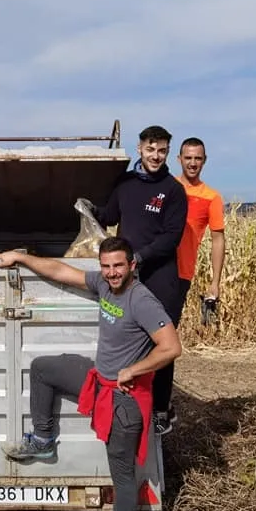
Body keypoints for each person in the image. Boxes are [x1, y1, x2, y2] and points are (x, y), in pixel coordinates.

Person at [0, 237, 181, 511]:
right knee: (43, 369)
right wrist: (20, 258)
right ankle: (43, 439)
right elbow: (59, 270)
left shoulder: (142, 301)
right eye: (106, 266)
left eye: (118, 266)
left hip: (125, 399)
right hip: (100, 381)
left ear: (132, 265)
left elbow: (171, 347)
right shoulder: (103, 284)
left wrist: (133, 370)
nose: (112, 273)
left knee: (122, 475)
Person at [78, 125, 187, 436]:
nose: (155, 156)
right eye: (150, 149)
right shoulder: (125, 182)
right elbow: (111, 215)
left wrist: (140, 256)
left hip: (159, 277)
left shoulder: (173, 190)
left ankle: (161, 409)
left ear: (168, 153)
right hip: (127, 273)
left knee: (160, 343)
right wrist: (91, 210)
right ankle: (125, 395)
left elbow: (171, 237)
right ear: (139, 149)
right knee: (125, 336)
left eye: (162, 150)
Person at [174, 137, 226, 319]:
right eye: (188, 158)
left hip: (183, 270)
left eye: (198, 158)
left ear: (204, 160)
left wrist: (215, 283)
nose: (193, 163)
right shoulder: (167, 187)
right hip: (156, 266)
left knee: (170, 324)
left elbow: (218, 240)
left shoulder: (211, 197)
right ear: (179, 159)